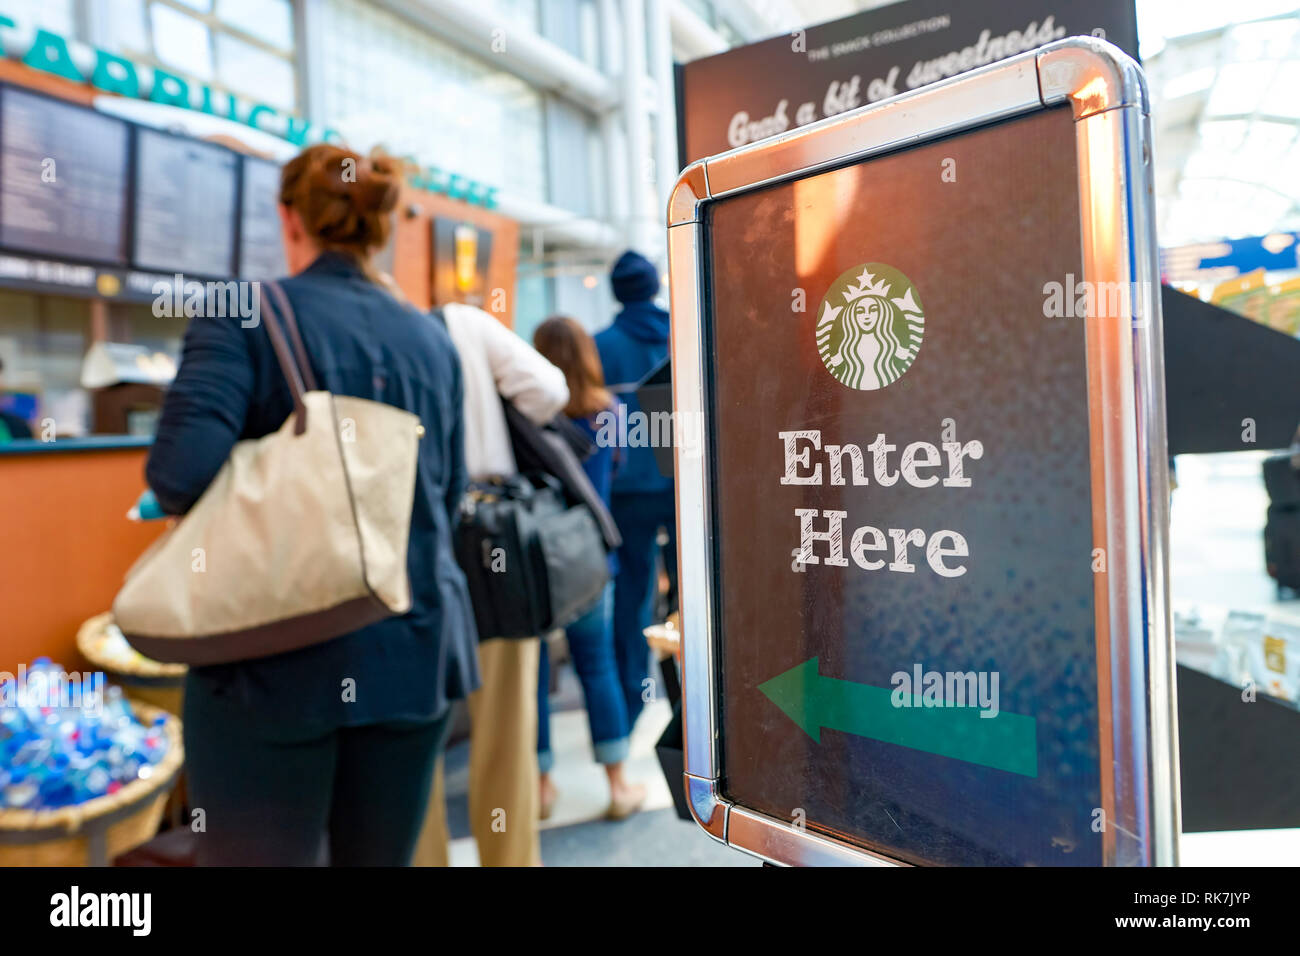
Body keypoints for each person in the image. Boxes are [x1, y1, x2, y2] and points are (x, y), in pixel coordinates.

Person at [145, 144, 479, 866]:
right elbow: (444, 496)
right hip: (414, 653)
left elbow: (180, 474)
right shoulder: (432, 338)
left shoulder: (243, 316)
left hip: (271, 664)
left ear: (289, 218)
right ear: (380, 226)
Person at [414, 299, 569, 867]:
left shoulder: (369, 335)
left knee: (416, 733)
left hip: (409, 545)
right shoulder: (465, 322)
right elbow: (549, 391)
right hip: (491, 539)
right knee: (506, 722)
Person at [532, 315, 646, 821]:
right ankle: (618, 784)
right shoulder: (612, 412)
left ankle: (539, 787)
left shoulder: (529, 413)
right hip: (591, 558)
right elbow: (615, 470)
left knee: (534, 674)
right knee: (597, 666)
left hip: (538, 562)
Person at [595, 250, 675, 729]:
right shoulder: (682, 332)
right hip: (682, 489)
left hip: (626, 493)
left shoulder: (599, 346)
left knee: (630, 595)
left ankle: (629, 705)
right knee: (695, 597)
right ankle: (699, 704)